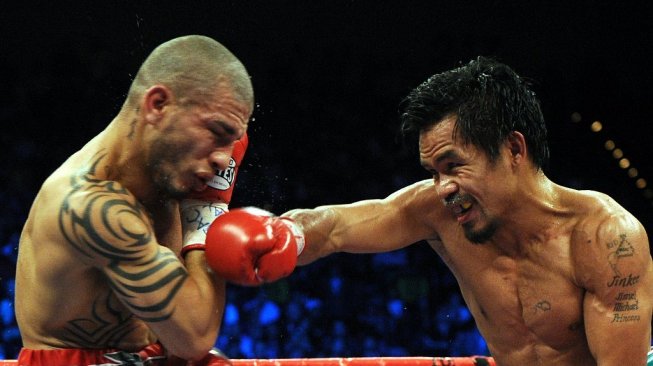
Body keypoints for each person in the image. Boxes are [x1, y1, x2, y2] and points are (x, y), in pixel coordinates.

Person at [210, 57, 652, 365]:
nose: (441, 188)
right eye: (432, 171)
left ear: (513, 149)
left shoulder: (606, 239)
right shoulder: (438, 212)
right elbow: (338, 228)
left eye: (453, 166)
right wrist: (288, 234)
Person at [15, 35, 261, 365]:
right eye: (216, 132)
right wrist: (209, 211)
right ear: (157, 105)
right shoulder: (90, 205)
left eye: (231, 141)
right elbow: (193, 337)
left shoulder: (168, 176)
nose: (223, 160)